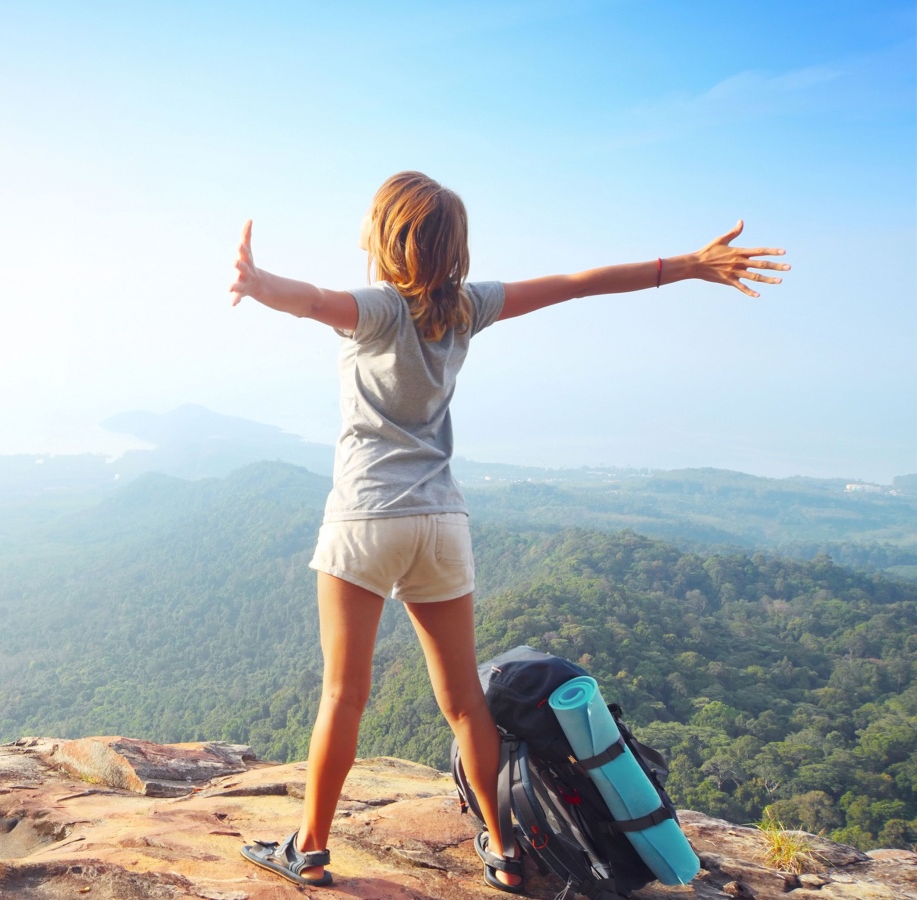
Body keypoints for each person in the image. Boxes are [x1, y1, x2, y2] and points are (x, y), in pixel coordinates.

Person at [230, 171, 787, 890]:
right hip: (440, 522)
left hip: (367, 516)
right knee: (464, 701)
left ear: (385, 238)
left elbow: (308, 301)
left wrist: (258, 279)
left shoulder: (376, 309)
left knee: (344, 694)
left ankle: (308, 847)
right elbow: (575, 283)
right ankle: (504, 849)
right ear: (453, 247)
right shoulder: (467, 307)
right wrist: (687, 266)